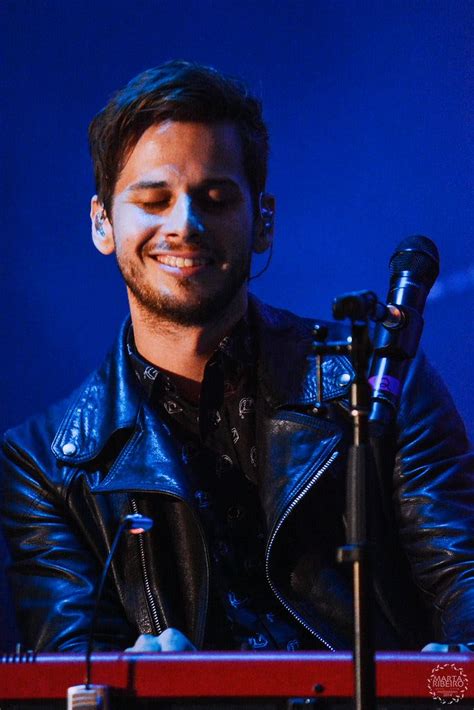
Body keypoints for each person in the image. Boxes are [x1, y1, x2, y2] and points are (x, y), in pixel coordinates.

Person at [1, 60, 473, 655]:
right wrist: (137, 678)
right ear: (102, 222)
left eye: (216, 198)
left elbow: (464, 583)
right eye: (154, 199)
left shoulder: (379, 378)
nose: (185, 224)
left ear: (263, 223)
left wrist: (445, 688)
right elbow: (73, 673)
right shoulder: (44, 464)